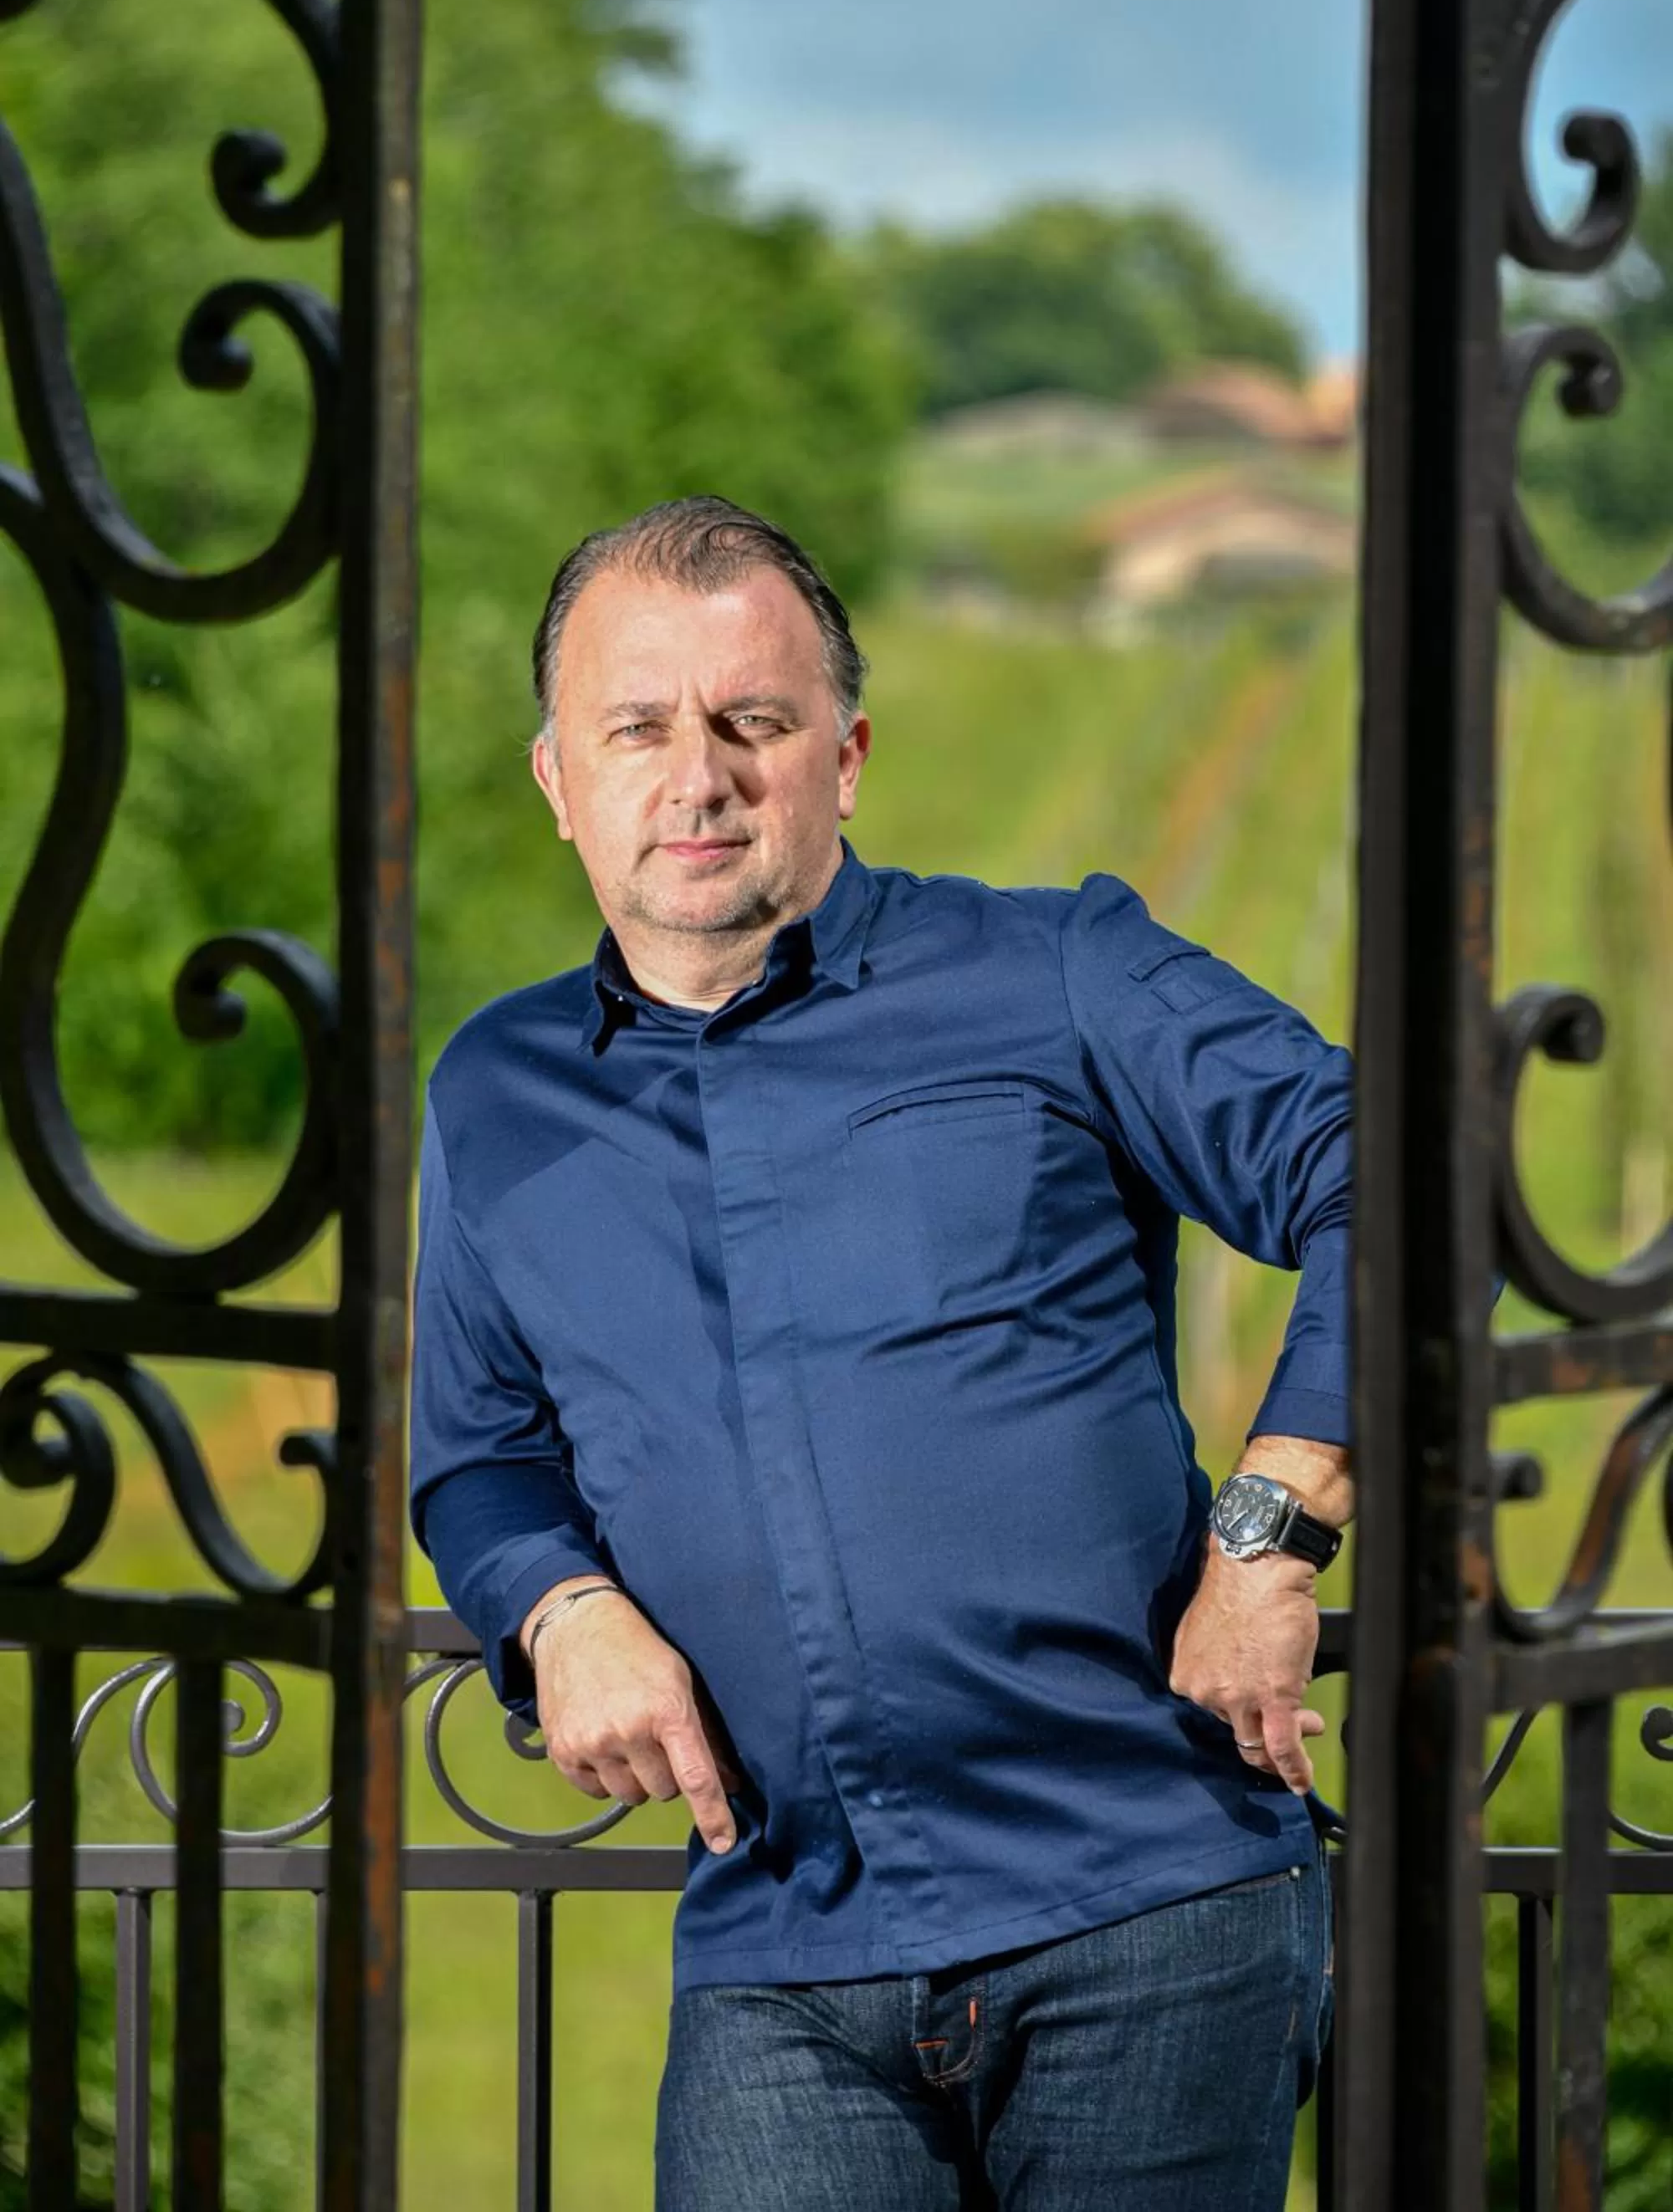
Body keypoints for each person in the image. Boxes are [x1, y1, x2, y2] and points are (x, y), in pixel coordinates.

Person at [409, 495, 1352, 2211]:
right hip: (778, 1949)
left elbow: (1385, 1168)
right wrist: (556, 1606)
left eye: (748, 723)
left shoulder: (1056, 970)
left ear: (843, 757)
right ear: (559, 779)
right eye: (635, 728)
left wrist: (1276, 1522)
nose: (693, 777)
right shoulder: (491, 1093)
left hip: (1144, 1902)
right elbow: (477, 1453)